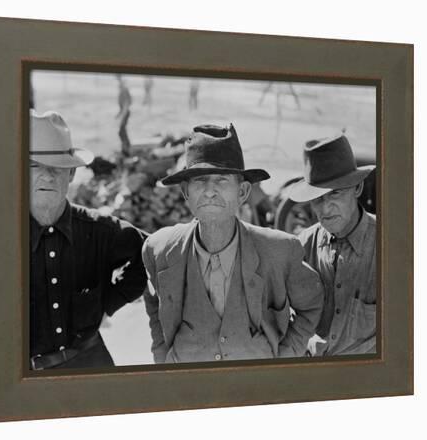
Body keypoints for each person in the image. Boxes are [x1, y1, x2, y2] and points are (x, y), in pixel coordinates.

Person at [142, 124, 324, 363]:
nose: (209, 191)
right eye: (200, 180)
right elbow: (155, 304)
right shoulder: (160, 249)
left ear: (243, 192)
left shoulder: (279, 251)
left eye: (222, 180)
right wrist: (162, 357)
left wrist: (284, 357)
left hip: (254, 385)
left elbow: (311, 305)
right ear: (186, 192)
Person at [29, 110, 147, 370]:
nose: (47, 176)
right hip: (21, 379)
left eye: (57, 168)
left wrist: (110, 301)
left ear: (71, 174)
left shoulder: (100, 229)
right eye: (34, 166)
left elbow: (153, 252)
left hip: (91, 366)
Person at [288, 135, 376, 356]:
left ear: (357, 188)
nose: (325, 209)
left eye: (335, 193)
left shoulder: (391, 244)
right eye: (317, 198)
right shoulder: (303, 247)